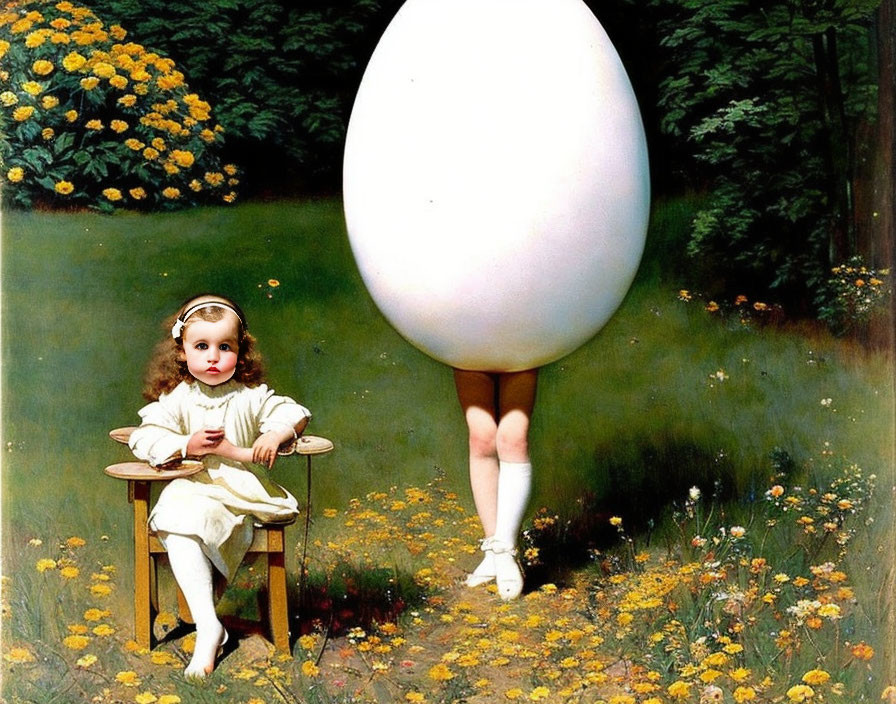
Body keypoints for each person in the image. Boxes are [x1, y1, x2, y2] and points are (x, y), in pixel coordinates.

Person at [129, 294, 311, 679]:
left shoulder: (251, 397)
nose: (213, 357)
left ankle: (206, 623)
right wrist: (185, 444)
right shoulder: (177, 399)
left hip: (239, 493)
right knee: (176, 512)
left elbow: (294, 413)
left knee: (196, 512)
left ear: (239, 353)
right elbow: (144, 438)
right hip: (192, 485)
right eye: (201, 347)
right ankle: (209, 625)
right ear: (182, 353)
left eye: (224, 347)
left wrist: (276, 434)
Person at [454, 369, 536, 600]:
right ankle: (493, 549)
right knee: (482, 438)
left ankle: (505, 548)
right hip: (471, 347)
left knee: (513, 439)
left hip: (520, 347)